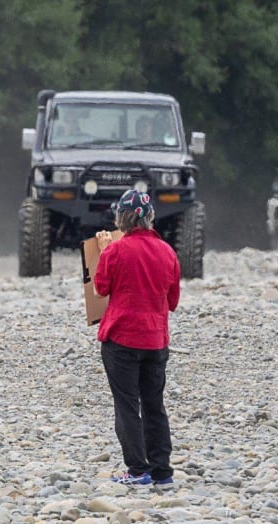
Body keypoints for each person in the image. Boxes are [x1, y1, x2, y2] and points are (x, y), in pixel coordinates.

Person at [94, 189, 181, 487]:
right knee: (154, 404)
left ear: (121, 218)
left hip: (122, 338)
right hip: (156, 341)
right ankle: (162, 472)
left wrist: (104, 250)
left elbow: (101, 289)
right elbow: (172, 301)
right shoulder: (168, 252)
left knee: (127, 405)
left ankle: (137, 470)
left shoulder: (115, 251)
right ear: (150, 218)